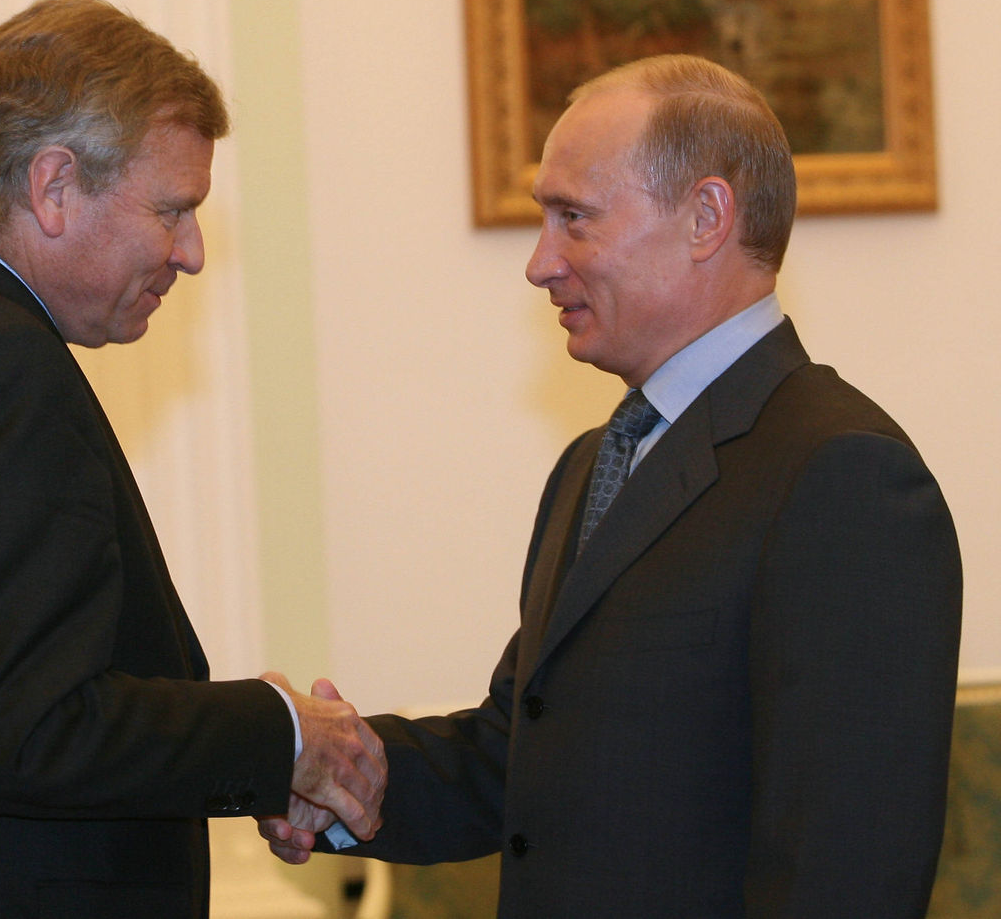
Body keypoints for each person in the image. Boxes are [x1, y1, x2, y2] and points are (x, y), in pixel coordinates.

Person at [260, 55, 962, 917]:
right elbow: (521, 754)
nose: (540, 263)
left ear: (706, 217)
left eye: (574, 219)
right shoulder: (597, 462)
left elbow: (845, 867)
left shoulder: (840, 472)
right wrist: (323, 772)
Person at [0, 0, 385, 919]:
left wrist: (249, 748)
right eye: (172, 210)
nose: (191, 253)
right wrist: (282, 734)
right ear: (54, 187)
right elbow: (32, 731)